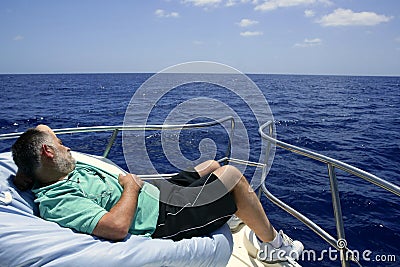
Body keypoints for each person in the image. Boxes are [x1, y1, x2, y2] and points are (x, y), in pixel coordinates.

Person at [12, 124, 303, 263]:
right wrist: (131, 186)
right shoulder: (58, 199)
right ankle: (273, 245)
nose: (67, 147)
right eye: (60, 145)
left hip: (158, 193)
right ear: (48, 153)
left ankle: (229, 213)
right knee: (232, 178)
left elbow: (41, 130)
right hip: (161, 216)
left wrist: (26, 171)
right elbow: (115, 228)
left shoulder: (53, 170)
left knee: (211, 164)